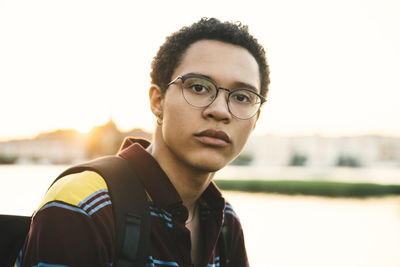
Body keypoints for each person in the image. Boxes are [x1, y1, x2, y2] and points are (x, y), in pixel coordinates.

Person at [17, 17, 270, 267]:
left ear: (256, 119)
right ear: (157, 101)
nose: (220, 111)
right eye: (199, 87)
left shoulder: (225, 223)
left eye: (242, 97)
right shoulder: (87, 205)